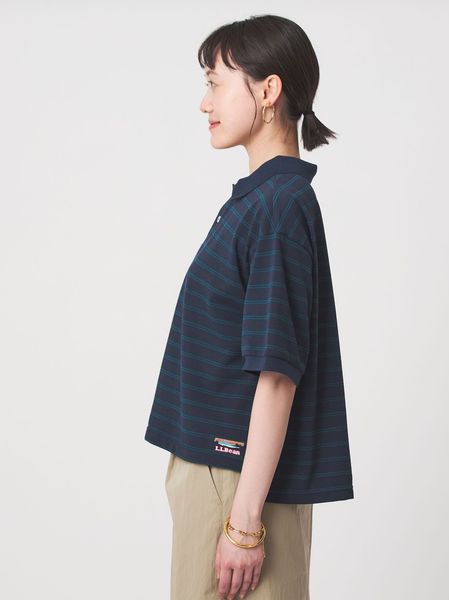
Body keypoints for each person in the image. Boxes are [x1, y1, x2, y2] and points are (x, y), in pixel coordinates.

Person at [144, 14, 354, 600]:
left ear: (268, 90)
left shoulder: (278, 208)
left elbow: (278, 374)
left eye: (216, 83)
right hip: (227, 475)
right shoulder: (263, 202)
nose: (204, 102)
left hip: (234, 481)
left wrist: (242, 524)